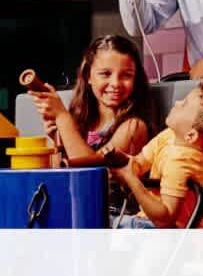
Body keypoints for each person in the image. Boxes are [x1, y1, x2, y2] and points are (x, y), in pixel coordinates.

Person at [109, 80, 203, 228]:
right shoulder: (169, 136)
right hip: (145, 222)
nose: (177, 102)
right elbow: (138, 165)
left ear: (190, 136)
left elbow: (165, 220)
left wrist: (131, 179)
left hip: (172, 235)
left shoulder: (182, 162)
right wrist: (122, 163)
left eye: (185, 104)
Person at [27, 35, 155, 174]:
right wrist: (60, 140)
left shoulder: (134, 127)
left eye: (126, 75)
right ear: (88, 76)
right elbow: (63, 170)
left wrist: (63, 118)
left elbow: (90, 174)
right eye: (106, 74)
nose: (116, 84)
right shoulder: (82, 121)